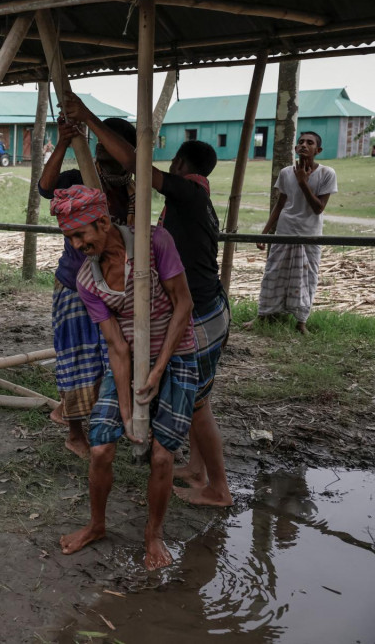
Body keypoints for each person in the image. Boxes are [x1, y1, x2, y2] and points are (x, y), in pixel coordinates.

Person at [64, 93, 232, 507]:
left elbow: (139, 167)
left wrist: (85, 116)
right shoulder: (190, 201)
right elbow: (117, 347)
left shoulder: (186, 195)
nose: (78, 244)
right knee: (195, 402)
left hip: (201, 310)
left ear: (180, 166)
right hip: (202, 304)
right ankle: (196, 469)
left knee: (198, 404)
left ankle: (219, 487)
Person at [51, 185, 197, 570]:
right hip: (132, 361)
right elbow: (116, 346)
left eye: (80, 235)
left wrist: (159, 367)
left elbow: (184, 304)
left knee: (163, 456)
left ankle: (154, 535)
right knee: (100, 447)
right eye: (69, 237)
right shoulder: (87, 279)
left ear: (102, 222)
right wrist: (129, 406)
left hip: (177, 354)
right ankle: (96, 524)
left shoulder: (155, 242)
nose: (76, 244)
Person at [38, 115, 138, 459]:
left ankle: (110, 420)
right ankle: (75, 431)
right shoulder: (80, 176)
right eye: (101, 156)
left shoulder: (133, 191)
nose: (105, 164)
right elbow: (45, 187)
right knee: (77, 358)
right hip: (75, 285)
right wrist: (65, 141)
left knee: (111, 357)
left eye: (113, 159)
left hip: (115, 287)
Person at [250, 132, 337, 334]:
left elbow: (318, 208)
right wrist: (264, 233)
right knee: (273, 273)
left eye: (310, 142)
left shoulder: (327, 173)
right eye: (301, 142)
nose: (304, 145)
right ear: (296, 148)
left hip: (310, 234)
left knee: (307, 277)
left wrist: (302, 182)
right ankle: (263, 315)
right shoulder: (286, 172)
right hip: (284, 231)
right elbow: (280, 204)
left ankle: (301, 322)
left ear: (318, 150)